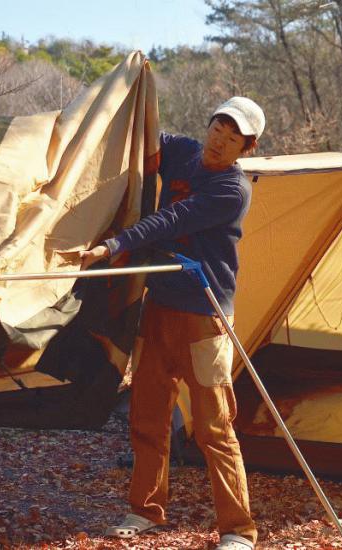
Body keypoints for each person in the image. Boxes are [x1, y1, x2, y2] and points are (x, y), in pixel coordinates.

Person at [79, 97, 265, 550]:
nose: (220, 141)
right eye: (218, 128)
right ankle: (144, 509)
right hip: (159, 306)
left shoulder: (232, 189)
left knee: (212, 427)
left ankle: (238, 530)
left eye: (233, 138)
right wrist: (121, 105)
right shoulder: (182, 152)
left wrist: (114, 245)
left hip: (205, 315)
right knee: (147, 413)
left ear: (247, 148)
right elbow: (142, 139)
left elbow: (172, 219)